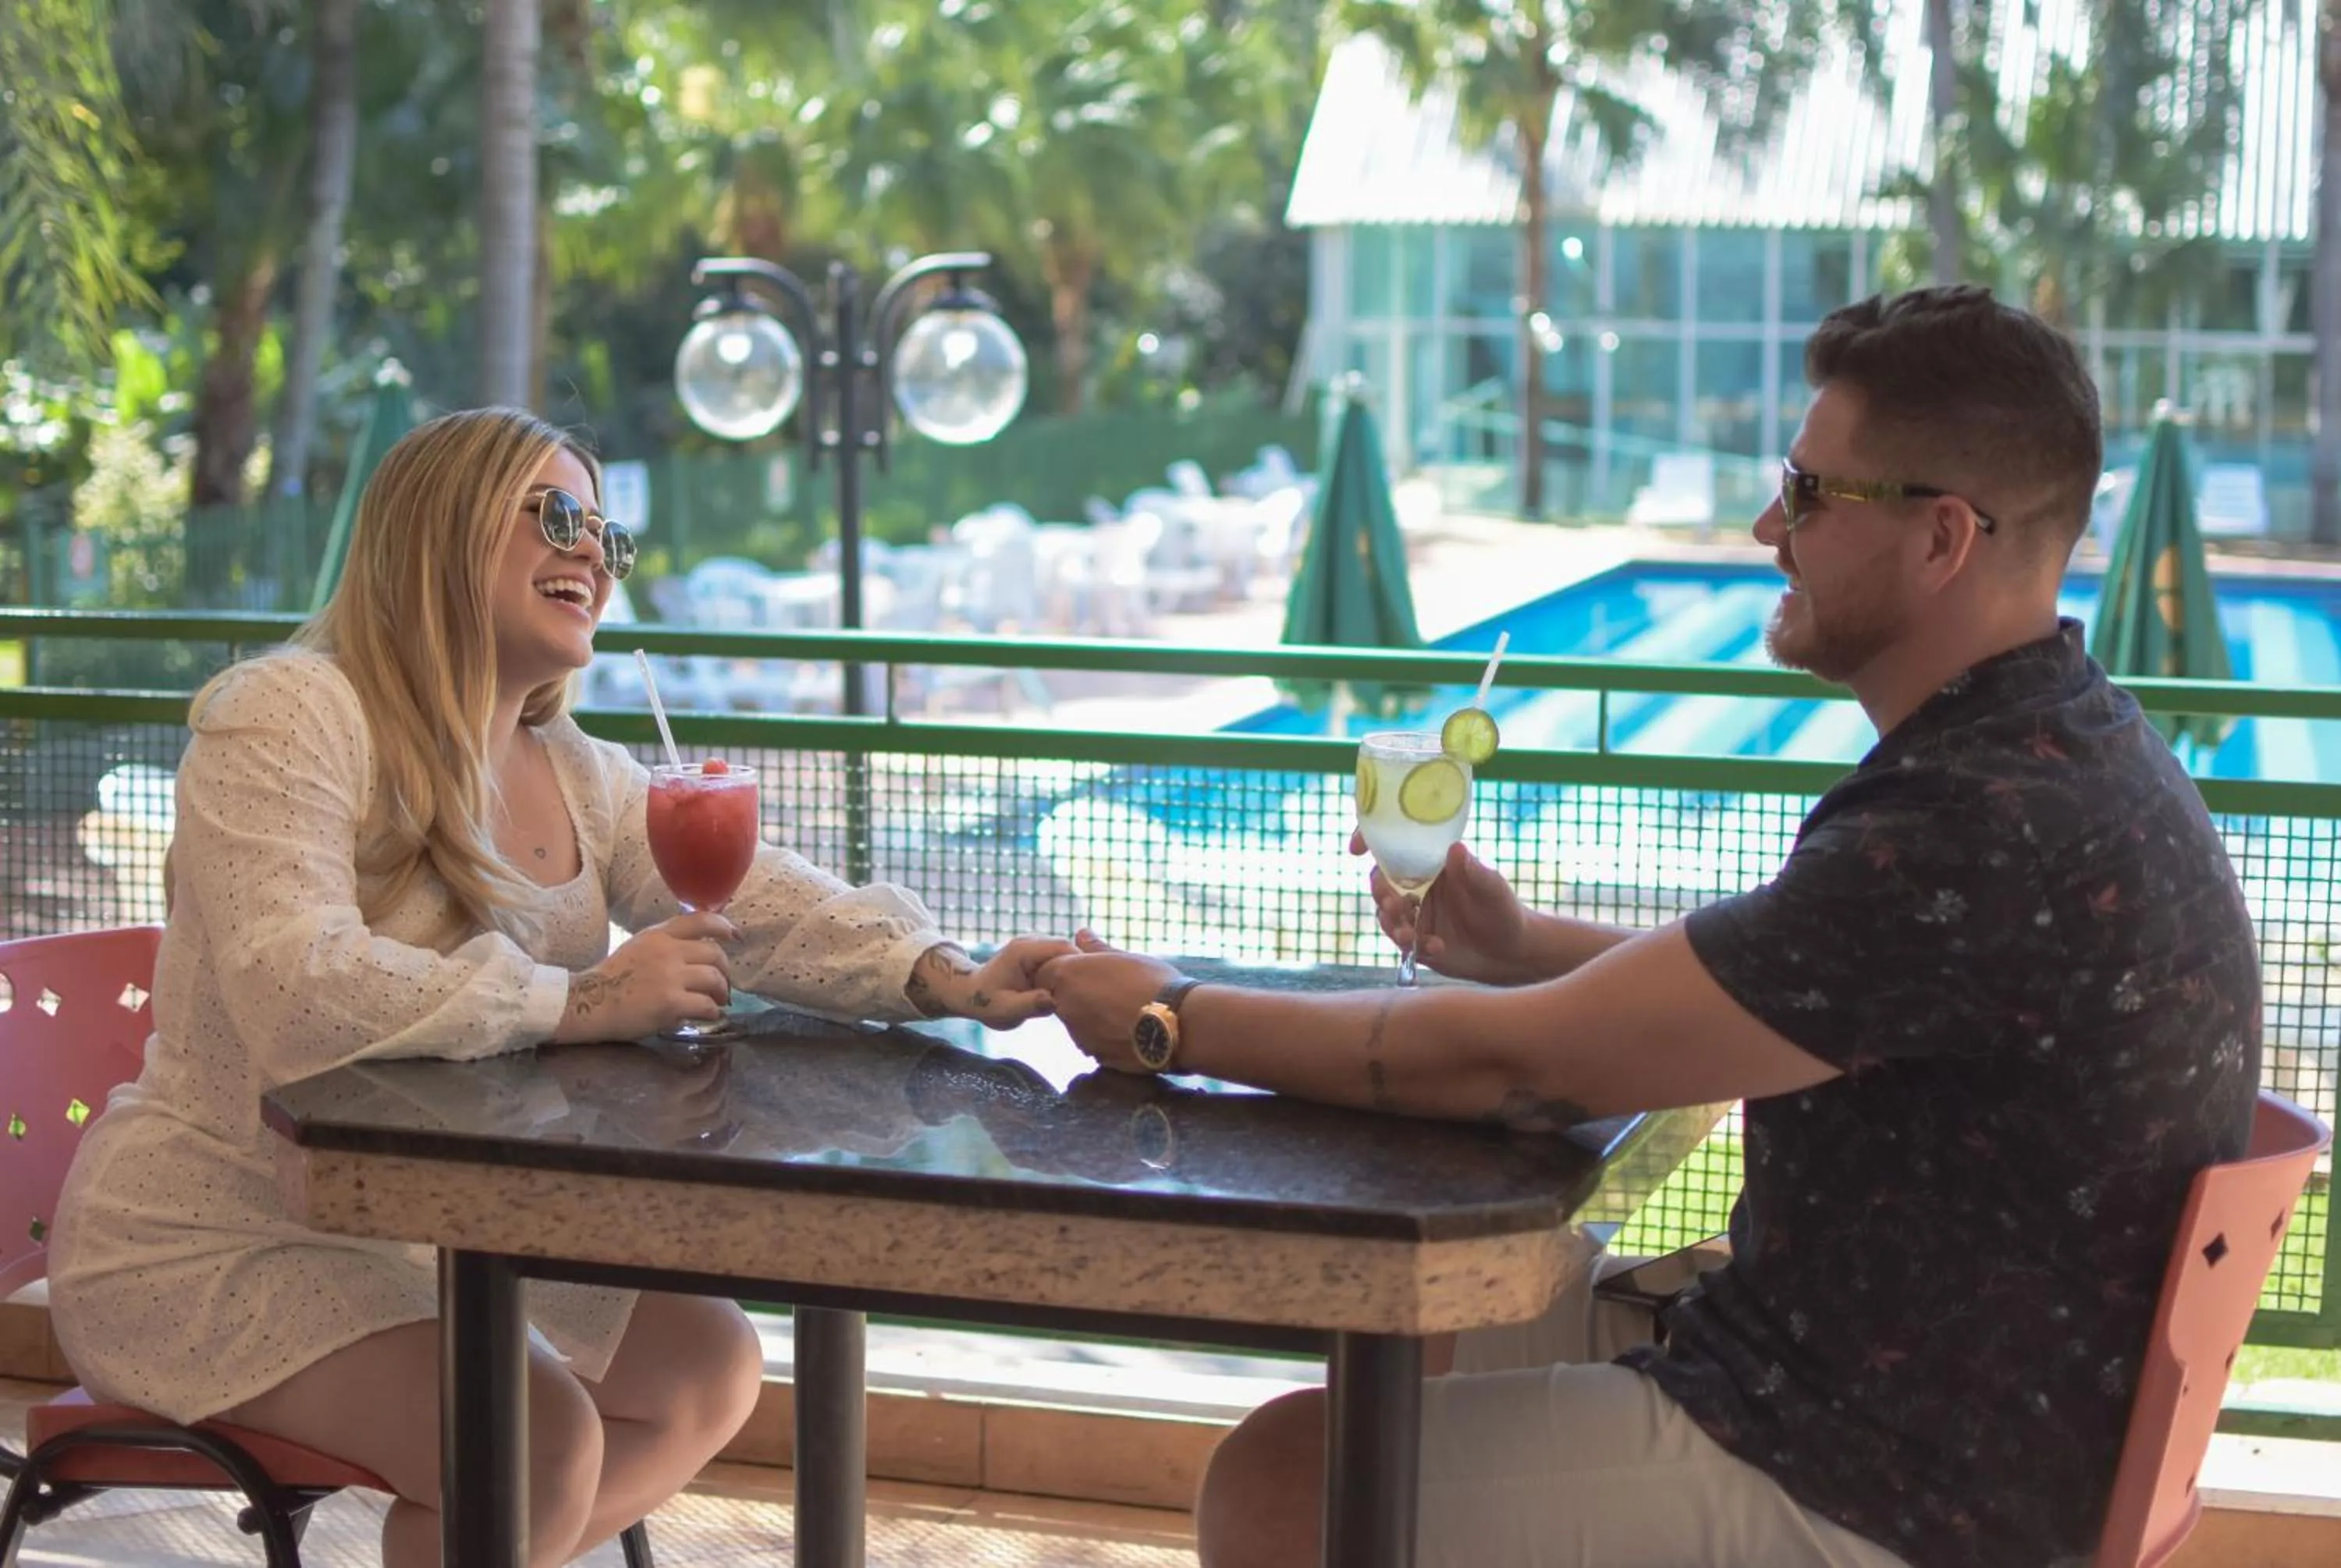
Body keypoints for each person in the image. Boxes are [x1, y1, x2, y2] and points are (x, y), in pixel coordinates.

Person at [1038, 286, 2262, 1568]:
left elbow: (1519, 1067)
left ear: (1942, 537)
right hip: (1931, 1413)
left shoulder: (1974, 822)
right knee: (1435, 1324)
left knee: (1288, 1484)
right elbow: (1766, 988)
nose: (1765, 527)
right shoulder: (2061, 745)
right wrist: (1515, 944)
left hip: (1892, 1490)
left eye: (1807, 493)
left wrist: (1174, 1016)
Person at [47, 406, 1071, 1568]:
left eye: (607, 535)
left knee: (707, 1365)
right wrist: (583, 1001)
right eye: (560, 515)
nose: (593, 551)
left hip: (430, 1230)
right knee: (535, 1441)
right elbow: (299, 987)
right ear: (435, 530)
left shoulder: (571, 767)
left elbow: (751, 897)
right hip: (216, 1233)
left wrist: (945, 973)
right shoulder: (289, 713)